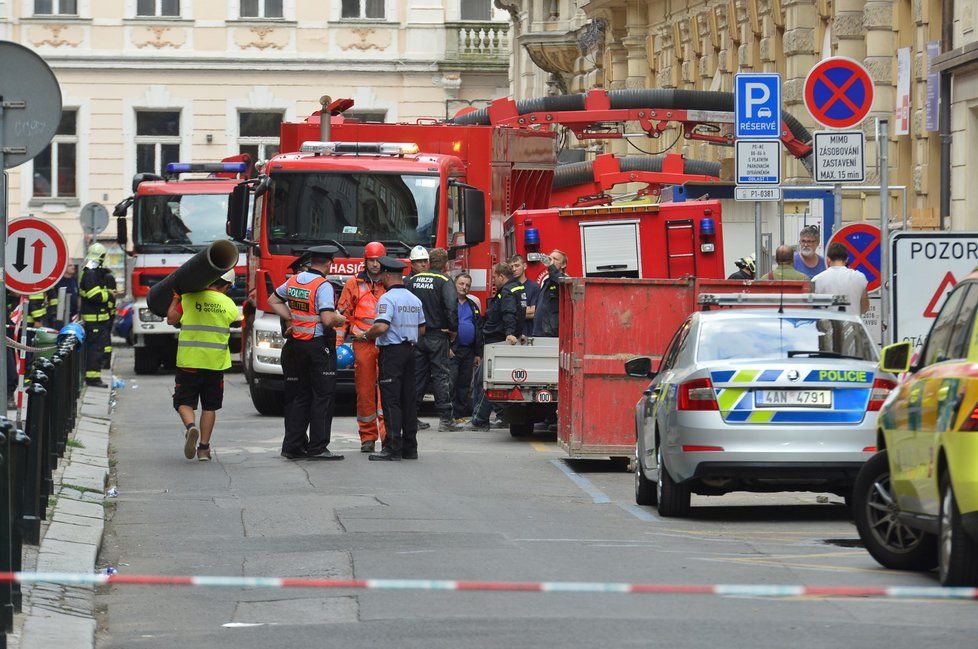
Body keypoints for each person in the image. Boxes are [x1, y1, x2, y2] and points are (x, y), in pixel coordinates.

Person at [268, 245, 347, 461]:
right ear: (329, 264)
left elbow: (272, 300)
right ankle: (318, 447)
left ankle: (292, 446)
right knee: (323, 396)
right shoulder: (323, 285)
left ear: (312, 262)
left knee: (299, 396)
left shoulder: (294, 280)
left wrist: (291, 318)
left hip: (296, 346)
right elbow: (328, 319)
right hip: (317, 345)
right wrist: (342, 318)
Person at [357, 256, 426, 462]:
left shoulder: (387, 299)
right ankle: (410, 448)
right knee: (408, 400)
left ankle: (392, 447)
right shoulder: (414, 299)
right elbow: (421, 329)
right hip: (410, 351)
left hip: (392, 353)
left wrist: (364, 336)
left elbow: (381, 327)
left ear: (387, 275)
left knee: (391, 400)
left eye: (382, 276)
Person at [166, 269, 239, 461]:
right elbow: (235, 320)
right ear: (226, 286)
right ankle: (204, 449)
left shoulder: (189, 298)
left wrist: (176, 298)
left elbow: (171, 319)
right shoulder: (229, 304)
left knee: (183, 402)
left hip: (189, 360)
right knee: (210, 406)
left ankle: (191, 428)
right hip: (215, 363)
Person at [337, 241, 388, 453]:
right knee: (365, 391)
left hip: (385, 344)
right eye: (371, 260)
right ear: (365, 261)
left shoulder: (390, 282)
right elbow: (343, 316)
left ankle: (387, 436)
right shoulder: (353, 284)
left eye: (378, 260)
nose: (375, 265)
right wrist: (337, 345)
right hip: (363, 344)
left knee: (387, 391)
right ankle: (367, 437)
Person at [406, 247, 461, 432]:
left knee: (417, 377)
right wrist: (453, 329)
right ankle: (446, 419)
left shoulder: (413, 280)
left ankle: (411, 418)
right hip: (437, 335)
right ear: (445, 264)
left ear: (429, 262)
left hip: (417, 334)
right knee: (440, 376)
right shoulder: (445, 280)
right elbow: (451, 308)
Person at [467, 263, 525, 431]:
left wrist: (509, 333)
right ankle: (480, 418)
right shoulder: (518, 288)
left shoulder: (507, 291)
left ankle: (479, 420)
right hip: (501, 340)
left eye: (494, 277)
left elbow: (508, 313)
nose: (493, 281)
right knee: (481, 378)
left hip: (497, 342)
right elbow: (519, 313)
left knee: (483, 381)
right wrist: (517, 331)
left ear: (501, 276)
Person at [79, 243, 114, 387]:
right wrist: (108, 294)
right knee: (95, 350)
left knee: (97, 349)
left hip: (98, 318)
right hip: (94, 319)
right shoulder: (90, 273)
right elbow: (95, 295)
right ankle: (93, 379)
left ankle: (95, 376)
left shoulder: (92, 272)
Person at [450, 273, 483, 421]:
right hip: (452, 350)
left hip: (469, 351)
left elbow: (479, 329)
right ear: (454, 284)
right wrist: (446, 347)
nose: (464, 287)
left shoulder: (472, 305)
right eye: (461, 284)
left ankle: (459, 415)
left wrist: (478, 353)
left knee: (464, 384)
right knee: (451, 382)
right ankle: (448, 415)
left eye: (467, 285)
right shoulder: (449, 303)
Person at [813, 242, 870, 315]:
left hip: (828, 325)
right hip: (853, 324)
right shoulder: (860, 277)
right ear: (846, 260)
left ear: (828, 259)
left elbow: (812, 309)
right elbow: (864, 308)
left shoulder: (817, 280)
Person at [532, 249, 568, 338]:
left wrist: (551, 266)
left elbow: (559, 280)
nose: (551, 260)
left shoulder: (565, 280)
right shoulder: (547, 282)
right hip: (539, 331)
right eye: (550, 258)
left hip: (552, 333)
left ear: (563, 265)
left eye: (555, 259)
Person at [509, 254, 539, 336]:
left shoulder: (534, 287)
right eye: (511, 267)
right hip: (512, 335)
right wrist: (525, 311)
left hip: (529, 333)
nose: (514, 269)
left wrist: (512, 314)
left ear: (524, 266)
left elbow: (533, 313)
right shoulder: (508, 288)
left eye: (517, 265)